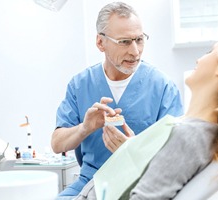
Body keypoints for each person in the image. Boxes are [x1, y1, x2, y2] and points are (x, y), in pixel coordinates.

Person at [73, 31, 218, 199]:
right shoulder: (202, 132)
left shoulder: (190, 135)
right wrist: (134, 150)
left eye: (210, 52)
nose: (198, 60)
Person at [51, 1, 184, 197]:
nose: (135, 51)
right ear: (100, 42)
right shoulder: (80, 85)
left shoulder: (162, 87)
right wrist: (85, 128)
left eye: (139, 39)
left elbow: (177, 156)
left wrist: (134, 151)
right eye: (124, 42)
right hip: (90, 182)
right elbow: (57, 144)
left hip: (141, 184)